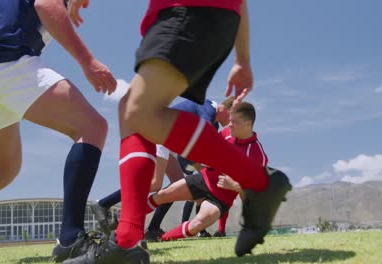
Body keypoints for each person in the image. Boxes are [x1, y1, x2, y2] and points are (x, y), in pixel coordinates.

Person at [65, 0, 291, 263]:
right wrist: (242, 58)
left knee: (138, 112)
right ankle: (128, 239)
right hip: (186, 16)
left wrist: (243, 59)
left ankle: (259, 182)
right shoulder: (210, 114)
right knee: (133, 112)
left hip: (188, 11)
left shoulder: (211, 114)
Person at [0, 0, 116, 262]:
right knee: (92, 127)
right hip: (6, 61)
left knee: (3, 172)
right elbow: (46, 4)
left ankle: (70, 237)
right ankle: (71, 240)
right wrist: (88, 61)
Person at [89, 98, 233, 239]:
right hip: (160, 134)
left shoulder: (214, 124)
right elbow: (205, 139)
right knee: (155, 183)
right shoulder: (207, 107)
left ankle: (153, 228)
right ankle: (103, 204)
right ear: (226, 108)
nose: (232, 123)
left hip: (169, 141)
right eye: (233, 117)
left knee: (176, 184)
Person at [146, 102, 265, 242]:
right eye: (230, 120)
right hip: (204, 179)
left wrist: (235, 186)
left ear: (248, 124)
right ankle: (125, 224)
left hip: (221, 198)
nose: (229, 124)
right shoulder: (226, 133)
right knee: (162, 195)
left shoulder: (258, 156)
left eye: (234, 122)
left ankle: (163, 239)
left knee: (198, 223)